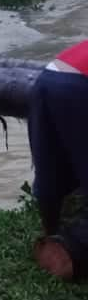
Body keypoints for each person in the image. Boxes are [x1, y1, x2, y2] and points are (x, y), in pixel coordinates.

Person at [30, 40, 88, 281]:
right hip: (80, 86)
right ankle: (72, 246)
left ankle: (52, 233)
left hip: (48, 77)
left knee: (49, 164)